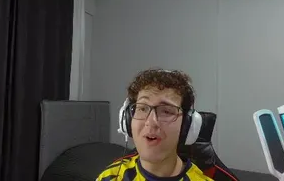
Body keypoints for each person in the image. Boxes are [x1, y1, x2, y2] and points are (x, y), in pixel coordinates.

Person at [97, 69, 229, 181]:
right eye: (142, 108)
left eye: (166, 111)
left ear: (186, 126)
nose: (151, 122)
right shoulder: (110, 177)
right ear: (127, 120)